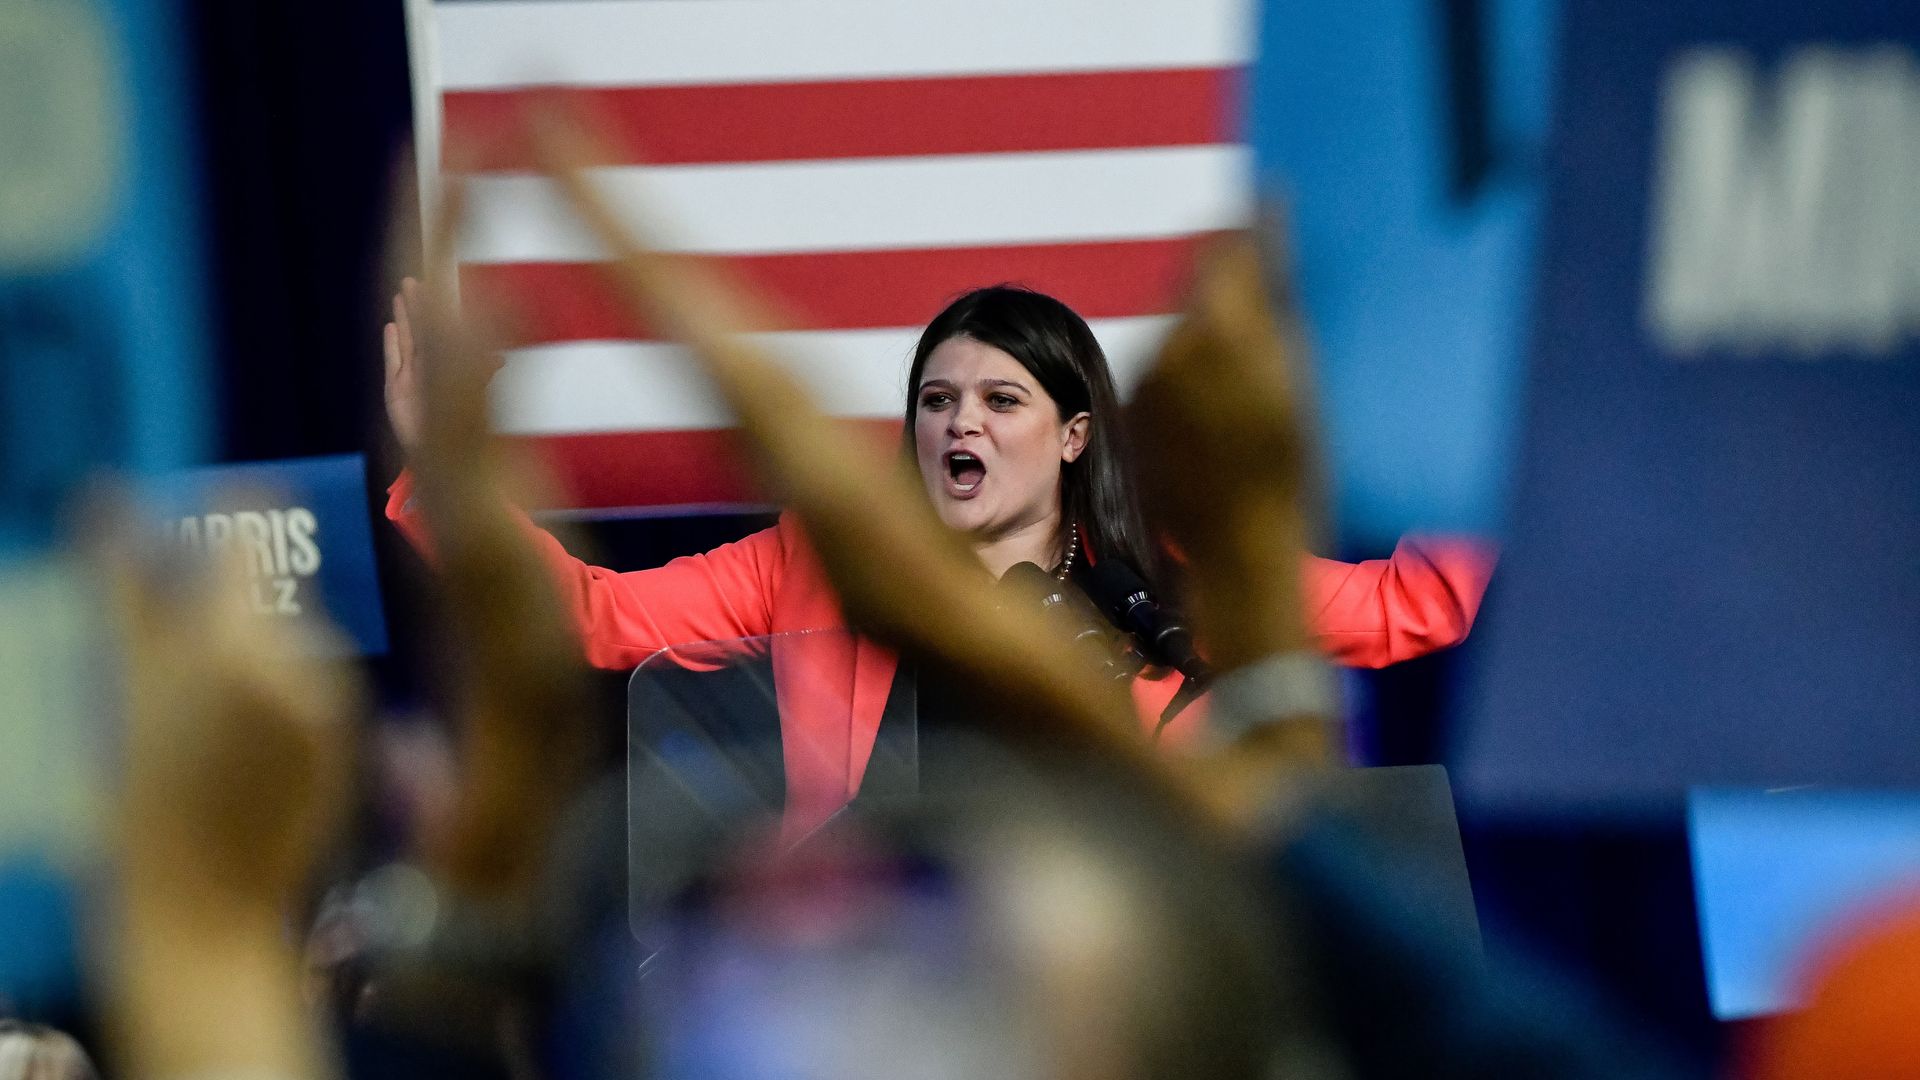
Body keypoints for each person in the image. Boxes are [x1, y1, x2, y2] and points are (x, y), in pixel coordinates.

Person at [382, 279, 1494, 834]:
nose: (960, 424)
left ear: (1072, 436)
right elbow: (599, 615)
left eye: (1000, 400)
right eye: (937, 401)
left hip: (1158, 951)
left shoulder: (1169, 581)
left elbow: (1410, 605)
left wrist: (1530, 453)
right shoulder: (820, 562)